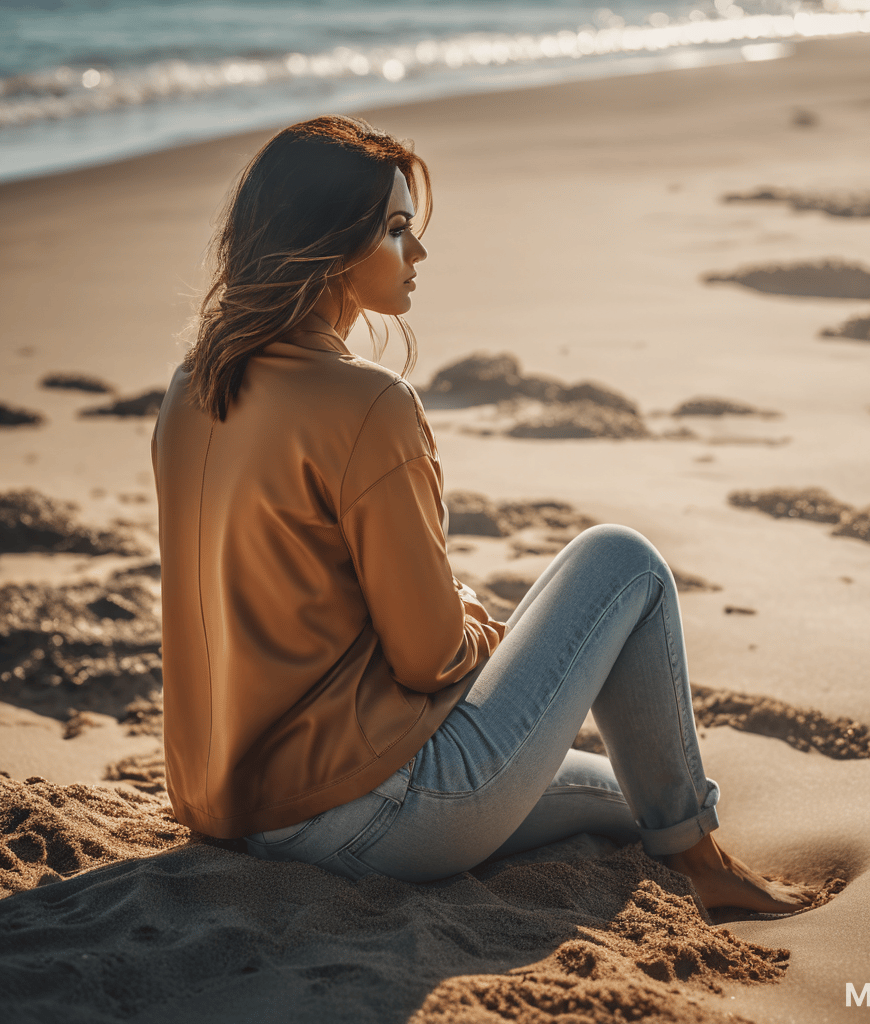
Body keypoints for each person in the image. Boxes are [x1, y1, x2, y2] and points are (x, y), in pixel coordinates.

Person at [152, 114, 814, 914]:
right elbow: (429, 661)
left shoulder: (193, 387)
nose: (418, 252)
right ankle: (703, 862)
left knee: (618, 789)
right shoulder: (368, 404)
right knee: (622, 561)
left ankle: (677, 825)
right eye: (396, 230)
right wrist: (475, 621)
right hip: (372, 813)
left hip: (229, 807)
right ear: (329, 243)